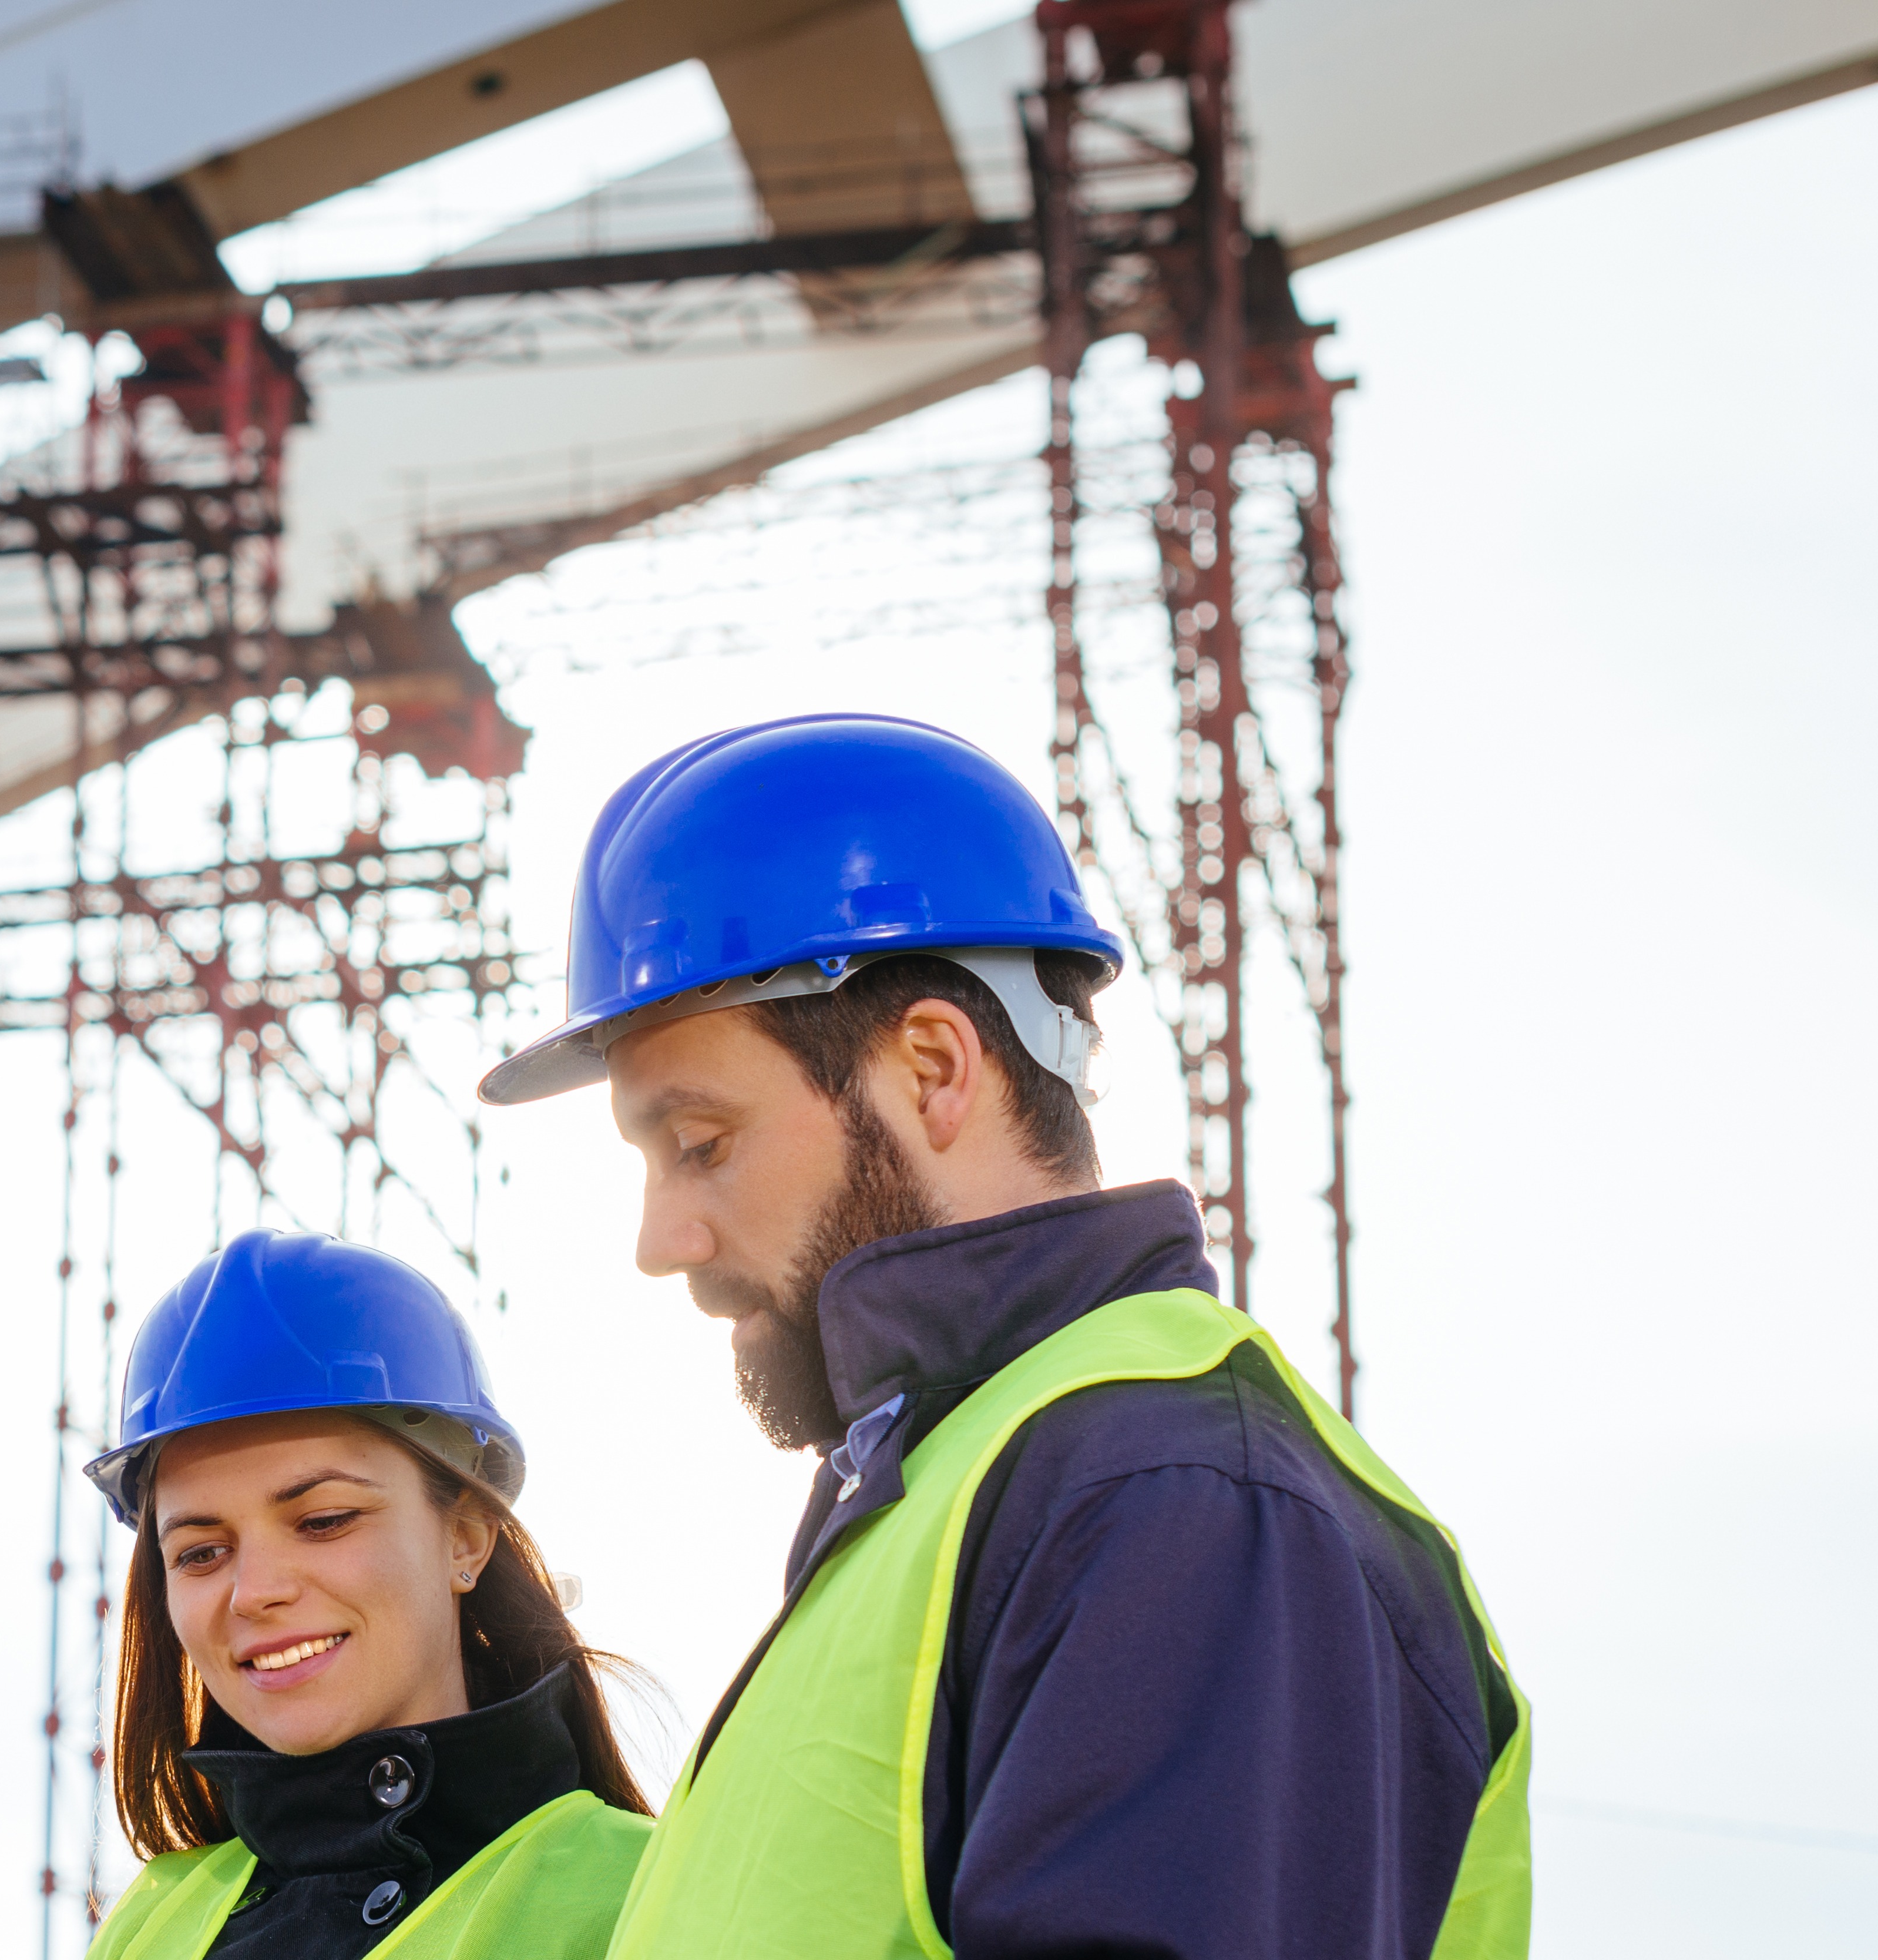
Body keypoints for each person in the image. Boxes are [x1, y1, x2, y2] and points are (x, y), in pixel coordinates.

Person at [476, 713, 1529, 1959]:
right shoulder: (960, 1500)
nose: (660, 1239)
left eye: (699, 1145)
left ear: (930, 1068)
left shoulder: (1175, 1500)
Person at [82, 1230, 654, 1960]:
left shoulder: (643, 1893)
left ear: (466, 1538)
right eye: (200, 1553)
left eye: (323, 1521)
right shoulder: (149, 1926)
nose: (254, 1593)